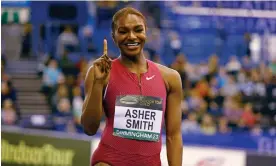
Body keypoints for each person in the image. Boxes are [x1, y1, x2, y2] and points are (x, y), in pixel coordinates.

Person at [81, 7, 183, 166]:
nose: (132, 36)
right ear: (114, 36)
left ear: (146, 32)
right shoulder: (100, 72)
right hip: (109, 161)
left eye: (138, 30)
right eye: (123, 31)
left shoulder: (170, 78)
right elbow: (89, 128)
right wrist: (98, 84)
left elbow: (174, 136)